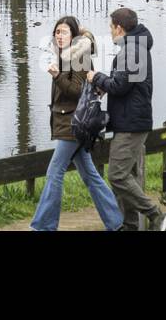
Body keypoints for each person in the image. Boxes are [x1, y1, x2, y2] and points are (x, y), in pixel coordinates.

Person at [30, 16, 124, 232]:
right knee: (90, 175)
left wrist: (56, 77)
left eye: (63, 32)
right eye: (56, 32)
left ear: (73, 36)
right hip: (70, 123)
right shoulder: (65, 57)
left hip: (73, 124)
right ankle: (116, 221)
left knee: (55, 172)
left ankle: (43, 226)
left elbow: (79, 92)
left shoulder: (78, 57)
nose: (58, 35)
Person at [88, 7, 166, 231]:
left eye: (110, 27)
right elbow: (125, 81)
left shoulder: (132, 49)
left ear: (119, 27)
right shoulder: (135, 47)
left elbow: (121, 85)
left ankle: (157, 216)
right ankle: (129, 225)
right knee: (128, 177)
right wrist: (108, 83)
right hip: (132, 120)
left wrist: (96, 77)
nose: (110, 32)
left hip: (131, 123)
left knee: (117, 176)